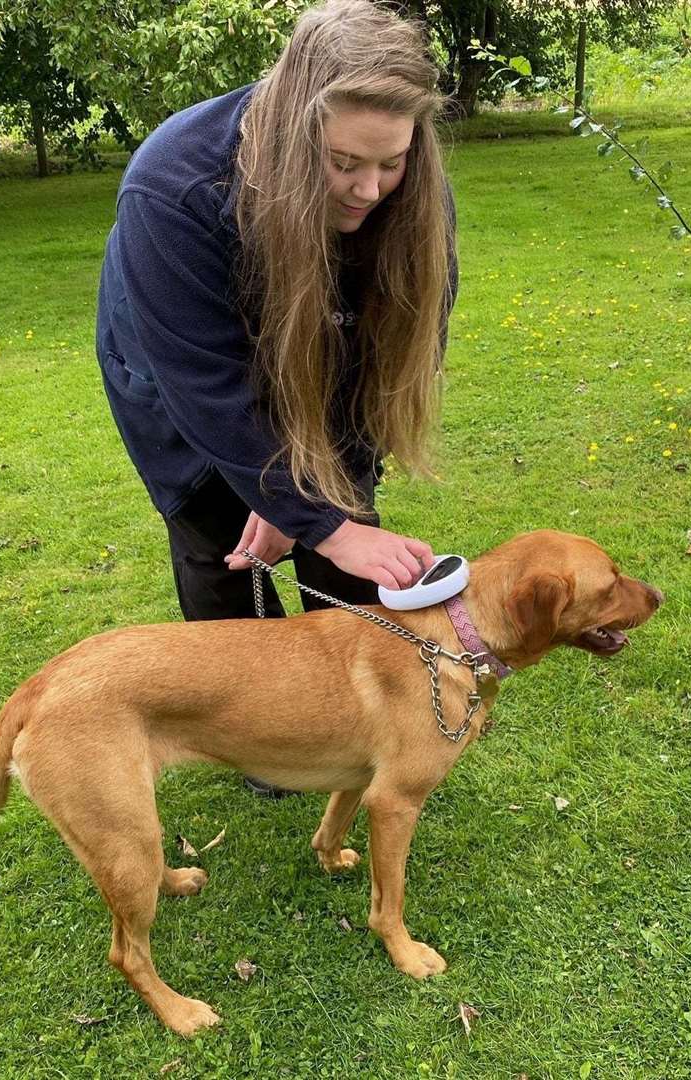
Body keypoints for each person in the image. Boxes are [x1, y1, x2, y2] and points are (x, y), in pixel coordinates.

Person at [95, 0, 458, 792]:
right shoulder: (173, 189)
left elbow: (384, 358)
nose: (369, 188)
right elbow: (208, 388)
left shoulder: (407, 191)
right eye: (343, 163)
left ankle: (357, 723)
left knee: (350, 553)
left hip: (321, 367)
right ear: (295, 125)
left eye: (390, 162)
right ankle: (255, 741)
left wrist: (318, 507)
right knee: (223, 548)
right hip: (178, 376)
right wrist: (295, 505)